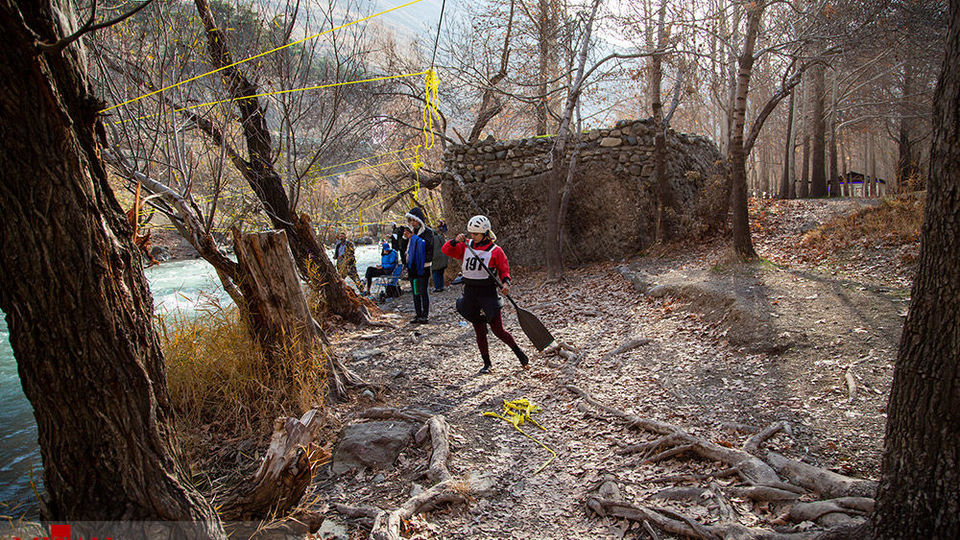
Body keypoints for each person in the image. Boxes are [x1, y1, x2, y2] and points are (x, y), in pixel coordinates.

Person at [442, 215, 528, 374]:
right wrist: (455, 241)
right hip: (470, 294)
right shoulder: (465, 246)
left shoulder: (496, 251)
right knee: (479, 330)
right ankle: (487, 363)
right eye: (471, 233)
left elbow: (504, 271)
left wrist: (506, 284)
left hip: (488, 294)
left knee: (498, 330)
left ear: (485, 233)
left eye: (476, 234)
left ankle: (520, 354)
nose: (472, 236)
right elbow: (445, 250)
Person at [403, 225, 429, 323]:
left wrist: (419, 271)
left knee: (422, 292)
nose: (404, 233)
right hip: (413, 271)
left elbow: (420, 257)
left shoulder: (418, 241)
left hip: (418, 271)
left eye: (405, 231)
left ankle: (424, 315)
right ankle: (418, 314)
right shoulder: (408, 241)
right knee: (416, 293)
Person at [431, 227, 448, 292]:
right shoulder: (440, 237)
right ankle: (441, 286)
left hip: (435, 258)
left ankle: (437, 287)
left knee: (435, 273)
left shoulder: (431, 239)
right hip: (443, 257)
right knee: (441, 273)